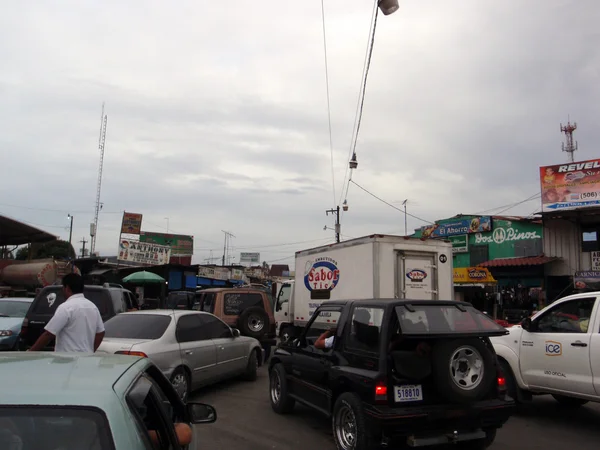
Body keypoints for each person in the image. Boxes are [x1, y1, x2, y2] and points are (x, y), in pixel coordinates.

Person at [29, 273, 105, 352]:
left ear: (67, 288)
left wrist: (31, 352)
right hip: (86, 359)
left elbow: (49, 334)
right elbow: (100, 333)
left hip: (67, 360)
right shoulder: (93, 307)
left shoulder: (66, 307)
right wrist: (91, 350)